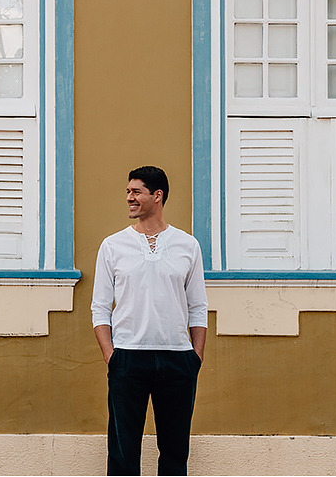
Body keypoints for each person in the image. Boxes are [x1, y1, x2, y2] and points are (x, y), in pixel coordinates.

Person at [91, 166, 208, 476]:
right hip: (128, 358)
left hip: (178, 360)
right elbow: (100, 307)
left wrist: (195, 357)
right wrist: (111, 355)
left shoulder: (187, 245)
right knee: (122, 451)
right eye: (128, 192)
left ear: (157, 196)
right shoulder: (113, 246)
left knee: (175, 450)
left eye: (136, 192)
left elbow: (198, 306)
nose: (129, 197)